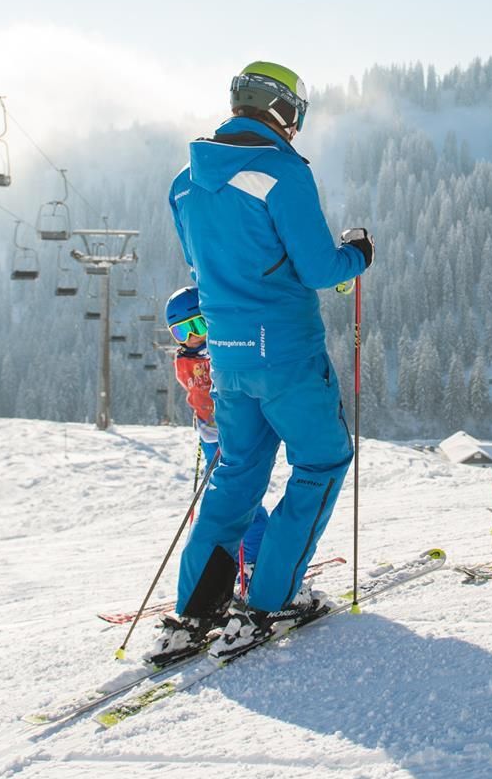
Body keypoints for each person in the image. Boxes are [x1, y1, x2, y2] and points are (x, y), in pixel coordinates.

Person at [149, 62, 373, 664]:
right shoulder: (280, 172)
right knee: (322, 461)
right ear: (283, 112)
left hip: (226, 354)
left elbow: (204, 269)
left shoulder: (184, 183)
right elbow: (321, 269)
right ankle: (270, 601)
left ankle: (192, 613)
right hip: (287, 353)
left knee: (236, 476)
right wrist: (358, 254)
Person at [164, 284, 265, 566]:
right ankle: (230, 560)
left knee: (243, 501)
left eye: (198, 325)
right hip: (210, 438)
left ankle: (256, 560)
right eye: (183, 332)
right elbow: (192, 390)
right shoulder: (184, 359)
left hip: (235, 433)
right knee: (221, 502)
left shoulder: (224, 350)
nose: (194, 337)